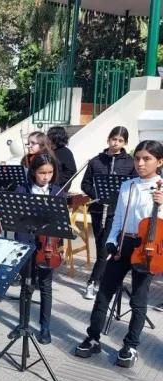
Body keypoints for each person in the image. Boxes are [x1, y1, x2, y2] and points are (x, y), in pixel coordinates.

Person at [75, 140, 163, 368]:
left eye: (147, 159)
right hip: (124, 242)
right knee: (104, 292)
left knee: (138, 299)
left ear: (160, 162)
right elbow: (118, 219)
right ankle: (93, 337)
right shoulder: (128, 185)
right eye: (137, 158)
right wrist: (112, 242)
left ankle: (130, 345)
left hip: (148, 248)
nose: (140, 163)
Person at [8, 153, 65, 345]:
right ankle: (22, 323)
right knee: (26, 285)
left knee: (46, 287)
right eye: (42, 173)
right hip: (27, 242)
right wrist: (24, 246)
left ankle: (45, 327)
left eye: (50, 173)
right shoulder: (22, 190)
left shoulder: (58, 192)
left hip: (48, 247)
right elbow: (16, 221)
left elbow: (60, 225)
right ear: (33, 172)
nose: (46, 177)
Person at [80, 126, 136, 300]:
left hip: (116, 212)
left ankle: (93, 282)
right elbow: (85, 184)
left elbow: (133, 185)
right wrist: (99, 195)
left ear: (125, 143)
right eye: (114, 139)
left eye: (120, 141)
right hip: (98, 210)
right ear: (108, 139)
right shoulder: (96, 161)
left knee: (105, 249)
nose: (116, 143)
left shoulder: (130, 162)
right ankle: (101, 280)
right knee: (101, 247)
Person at [47, 126, 76, 191]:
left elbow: (71, 172)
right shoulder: (49, 151)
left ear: (55, 137)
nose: (47, 139)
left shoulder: (65, 152)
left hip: (59, 188)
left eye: (49, 137)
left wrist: (55, 181)